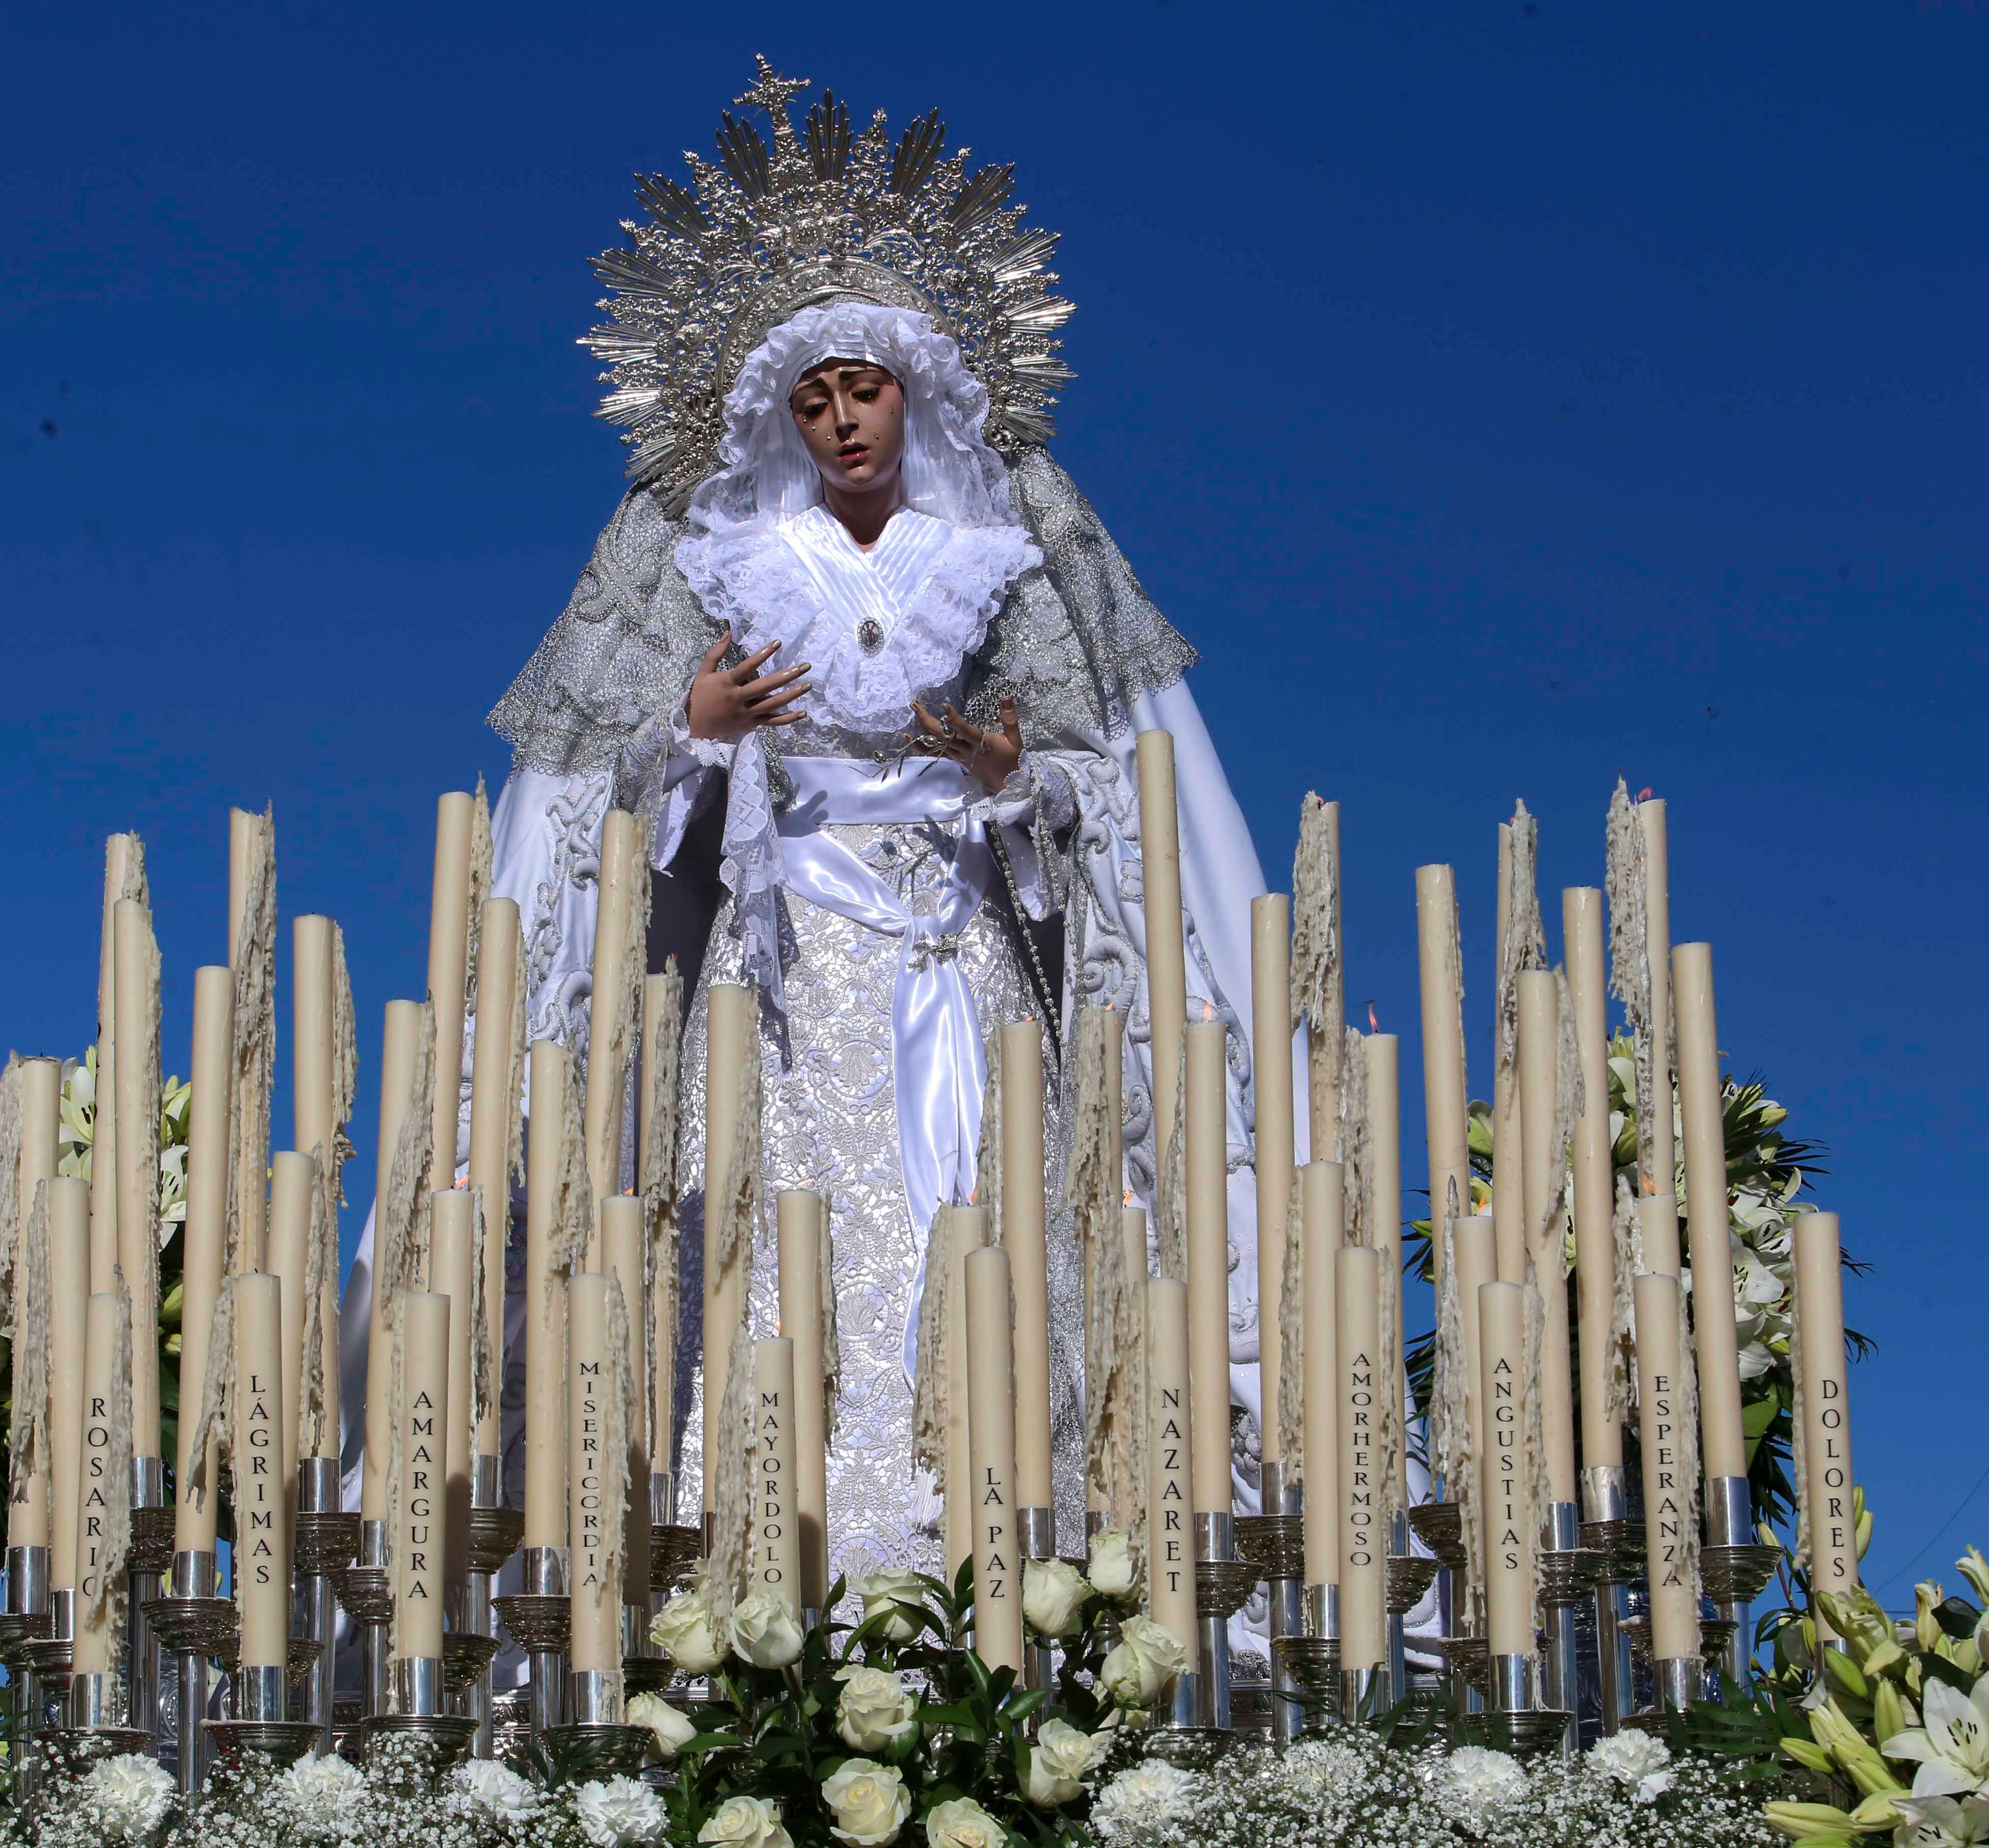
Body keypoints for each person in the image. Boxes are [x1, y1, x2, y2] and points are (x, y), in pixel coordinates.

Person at [347, 64, 1333, 1629]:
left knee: (985, 1228)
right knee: (756, 1239)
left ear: (917, 391)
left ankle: (1009, 1576)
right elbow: (609, 813)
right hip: (780, 980)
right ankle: (751, 1577)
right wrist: (701, 722)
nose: (841, 420)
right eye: (810, 401)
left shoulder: (1000, 557)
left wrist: (1010, 780)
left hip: (960, 959)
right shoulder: (719, 555)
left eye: (861, 389)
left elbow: (1105, 802)